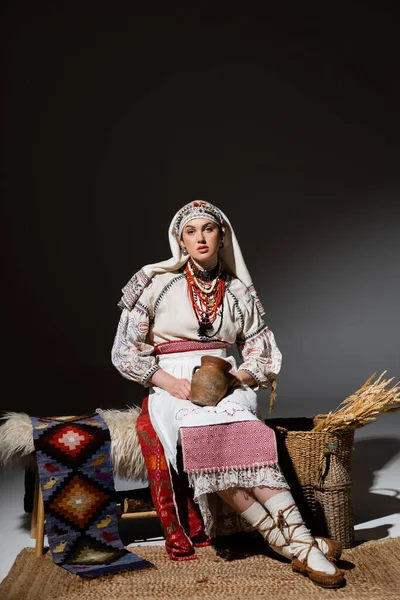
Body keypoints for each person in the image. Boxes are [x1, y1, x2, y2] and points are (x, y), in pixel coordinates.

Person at [111, 200, 345, 588]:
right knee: (205, 436)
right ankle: (296, 546)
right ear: (180, 241)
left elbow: (259, 347)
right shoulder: (155, 283)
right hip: (172, 384)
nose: (200, 238)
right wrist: (166, 381)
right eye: (191, 231)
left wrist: (243, 374)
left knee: (244, 432)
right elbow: (124, 350)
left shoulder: (237, 290)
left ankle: (295, 541)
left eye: (208, 229)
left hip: (227, 381)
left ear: (222, 237)